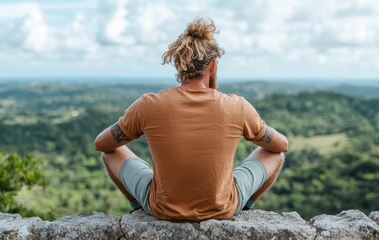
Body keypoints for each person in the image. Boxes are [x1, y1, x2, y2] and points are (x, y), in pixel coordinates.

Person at [94, 18, 288, 222]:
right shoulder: (236, 106)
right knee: (275, 156)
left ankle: (139, 208)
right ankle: (244, 207)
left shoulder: (149, 104)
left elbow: (102, 144)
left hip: (162, 209)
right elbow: (280, 145)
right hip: (223, 209)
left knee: (111, 154)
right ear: (213, 65)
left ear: (177, 65)